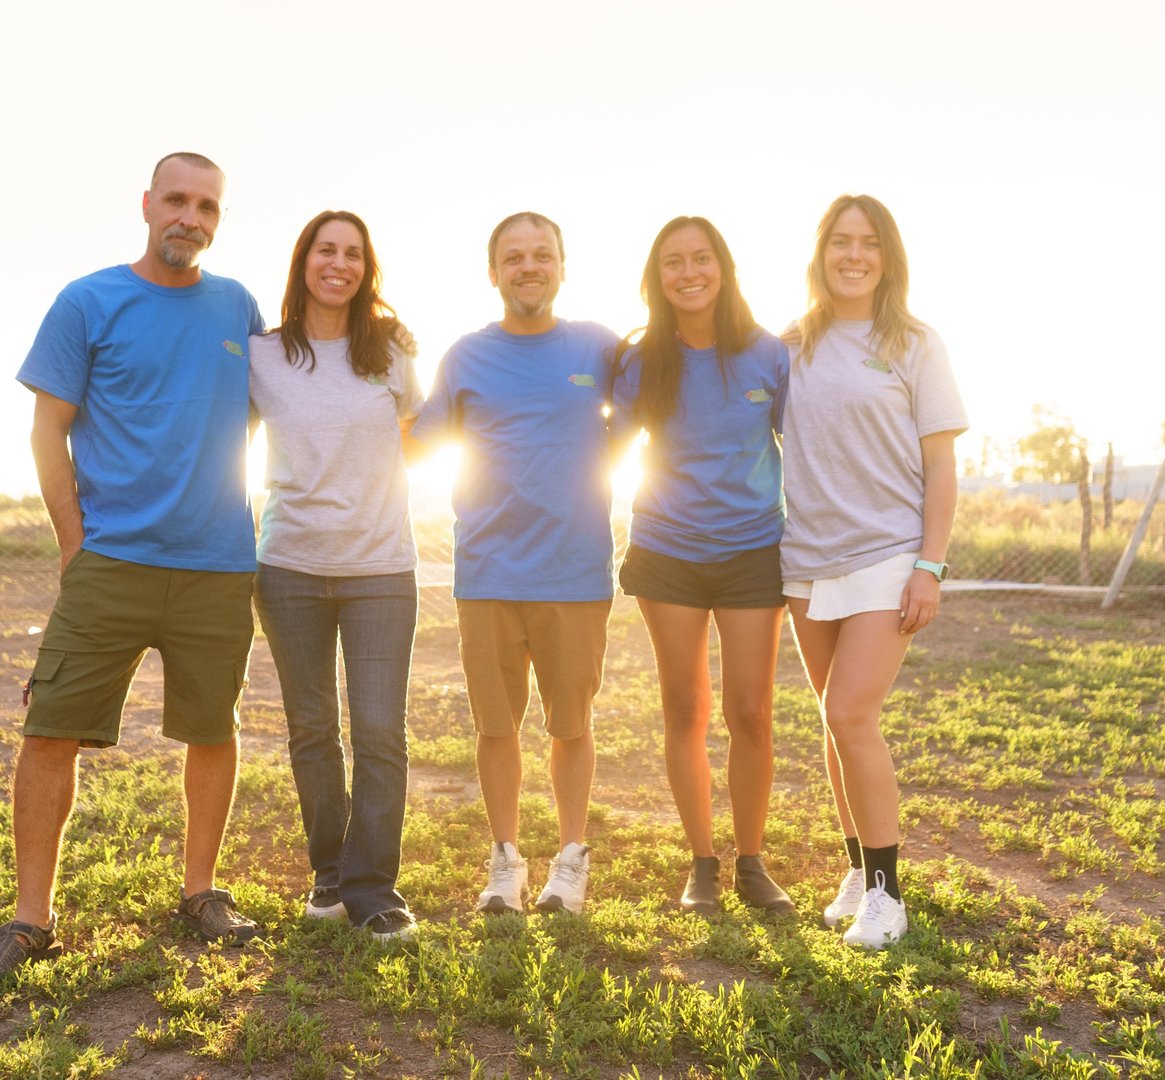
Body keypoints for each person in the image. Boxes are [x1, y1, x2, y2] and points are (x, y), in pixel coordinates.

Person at [0, 152, 266, 993]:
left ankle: (200, 893)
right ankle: (31, 919)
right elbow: (47, 432)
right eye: (177, 200)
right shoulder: (88, 301)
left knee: (214, 729)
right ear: (147, 204)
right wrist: (74, 544)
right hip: (110, 562)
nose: (191, 217)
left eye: (207, 206)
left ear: (218, 220)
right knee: (50, 728)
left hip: (217, 565)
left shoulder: (239, 308)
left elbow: (290, 402)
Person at [411, 211, 621, 916]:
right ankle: (505, 861)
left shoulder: (600, 348)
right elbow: (416, 441)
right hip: (489, 574)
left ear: (562, 265)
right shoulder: (465, 356)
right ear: (493, 272)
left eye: (541, 254)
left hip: (575, 572)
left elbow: (659, 402)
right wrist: (381, 368)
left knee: (571, 726)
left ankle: (570, 859)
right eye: (514, 257)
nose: (529, 266)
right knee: (495, 727)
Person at [780, 194, 966, 949]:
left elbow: (941, 465)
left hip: (889, 555)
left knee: (851, 714)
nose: (853, 255)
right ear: (821, 252)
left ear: (887, 258)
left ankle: (889, 896)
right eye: (840, 241)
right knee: (834, 719)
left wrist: (930, 565)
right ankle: (857, 871)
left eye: (868, 243)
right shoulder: (789, 346)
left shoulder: (915, 343)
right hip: (805, 562)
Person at [610, 217, 794, 916]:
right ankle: (703, 865)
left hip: (753, 551)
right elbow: (600, 445)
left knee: (751, 711)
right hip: (668, 552)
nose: (688, 273)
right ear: (656, 278)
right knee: (686, 707)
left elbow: (811, 445)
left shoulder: (768, 355)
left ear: (723, 268)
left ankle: (752, 862)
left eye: (701, 258)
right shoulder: (639, 362)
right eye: (673, 262)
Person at [247, 211, 422, 943]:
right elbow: (223, 437)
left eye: (353, 253)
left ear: (365, 269)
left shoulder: (391, 351)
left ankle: (373, 887)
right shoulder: (261, 355)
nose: (339, 264)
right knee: (312, 728)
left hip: (381, 568)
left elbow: (417, 436)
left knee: (380, 731)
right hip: (289, 566)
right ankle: (329, 870)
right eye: (327, 250)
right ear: (304, 261)